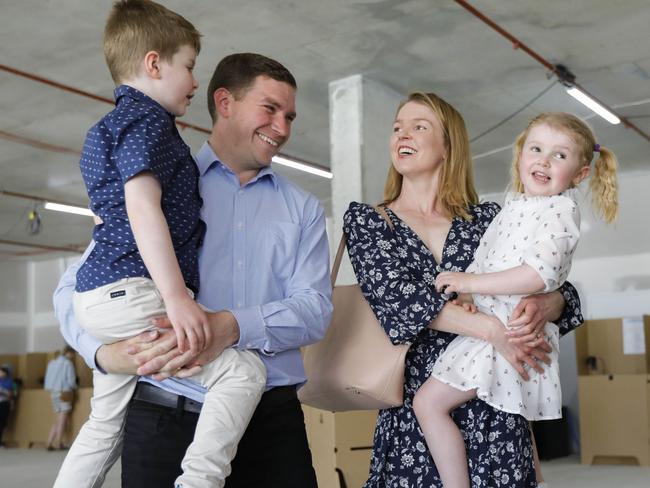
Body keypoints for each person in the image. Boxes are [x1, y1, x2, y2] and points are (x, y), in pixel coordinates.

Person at [54, 52, 332, 488]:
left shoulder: (304, 210)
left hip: (272, 425)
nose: (283, 128)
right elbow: (76, 287)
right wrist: (102, 354)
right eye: (270, 109)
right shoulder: (161, 183)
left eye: (290, 116)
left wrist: (230, 327)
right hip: (164, 416)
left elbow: (315, 311)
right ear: (225, 103)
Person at [56, 3, 267, 488]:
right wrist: (176, 298)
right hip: (134, 291)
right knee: (241, 374)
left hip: (96, 295)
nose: (195, 81)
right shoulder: (149, 124)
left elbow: (105, 212)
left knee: (104, 422)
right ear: (154, 64)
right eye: (189, 65)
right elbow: (142, 206)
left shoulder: (104, 130)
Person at [343, 92, 584, 487]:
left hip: (496, 407)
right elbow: (399, 302)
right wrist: (494, 331)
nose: (403, 134)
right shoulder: (370, 222)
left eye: (419, 126)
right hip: (415, 415)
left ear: (448, 146)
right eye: (397, 127)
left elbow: (563, 289)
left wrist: (549, 302)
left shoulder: (490, 218)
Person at [417, 112, 618, 487]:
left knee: (428, 403)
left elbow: (538, 274)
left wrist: (470, 281)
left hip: (511, 330)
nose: (543, 160)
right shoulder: (512, 207)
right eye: (536, 149)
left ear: (580, 174)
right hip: (493, 327)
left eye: (559, 155)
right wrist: (466, 293)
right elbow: (489, 257)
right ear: (520, 155)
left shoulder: (560, 210)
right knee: (513, 417)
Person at [44, 346, 77, 451]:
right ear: (69, 353)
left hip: (53, 392)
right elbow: (71, 381)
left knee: (58, 418)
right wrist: (75, 387)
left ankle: (49, 442)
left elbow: (47, 380)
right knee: (63, 418)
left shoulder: (52, 363)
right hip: (64, 392)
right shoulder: (68, 363)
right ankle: (58, 442)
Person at [0, 365, 17, 448]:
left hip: (4, 403)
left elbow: (12, 394)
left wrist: (6, 394)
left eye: (2, 372)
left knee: (3, 423)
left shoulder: (10, 382)